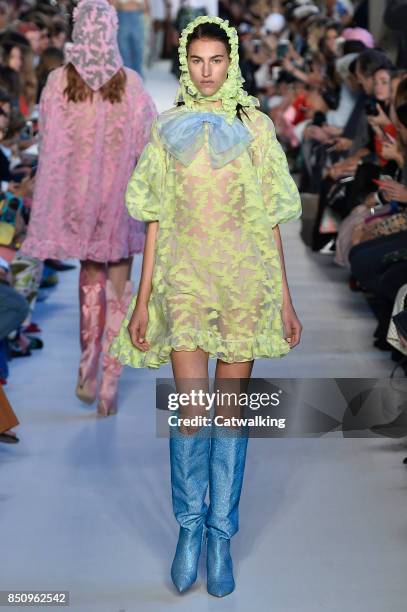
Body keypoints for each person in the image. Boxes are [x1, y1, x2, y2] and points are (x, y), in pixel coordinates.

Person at [110, 15, 302, 597]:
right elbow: (155, 221)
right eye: (197, 61)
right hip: (185, 280)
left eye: (217, 60)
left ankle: (221, 534)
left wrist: (286, 301)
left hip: (244, 283)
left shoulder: (258, 127)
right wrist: (142, 302)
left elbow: (271, 220)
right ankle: (189, 530)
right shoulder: (166, 127)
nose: (207, 71)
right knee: (192, 413)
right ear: (185, 63)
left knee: (230, 413)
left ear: (232, 61)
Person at [21, 0, 157, 416]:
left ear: (78, 32)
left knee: (90, 280)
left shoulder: (58, 81)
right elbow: (148, 144)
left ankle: (86, 368)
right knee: (120, 286)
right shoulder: (130, 83)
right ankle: (110, 384)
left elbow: (53, 148)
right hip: (120, 200)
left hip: (80, 202)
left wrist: (54, 199)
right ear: (113, 32)